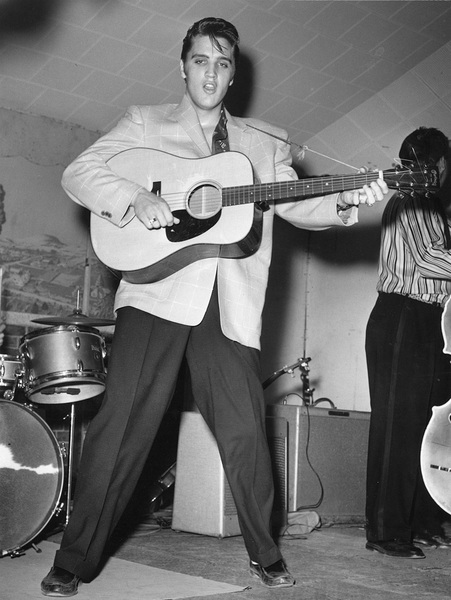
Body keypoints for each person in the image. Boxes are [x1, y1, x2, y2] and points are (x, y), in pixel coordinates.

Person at [40, 17, 387, 596]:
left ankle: (265, 553)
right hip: (156, 292)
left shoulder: (264, 141)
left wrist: (348, 200)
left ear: (232, 76)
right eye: (201, 60)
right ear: (183, 66)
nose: (210, 74)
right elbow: (80, 173)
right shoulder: (144, 121)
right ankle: (73, 561)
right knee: (121, 429)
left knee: (246, 432)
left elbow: (294, 206)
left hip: (229, 303)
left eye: (222, 64)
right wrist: (134, 197)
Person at [365, 126, 451, 559]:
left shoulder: (433, 206)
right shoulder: (410, 199)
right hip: (402, 316)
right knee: (397, 427)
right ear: (437, 164)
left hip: (429, 321)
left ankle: (420, 523)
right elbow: (427, 259)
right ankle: (386, 532)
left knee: (424, 428)